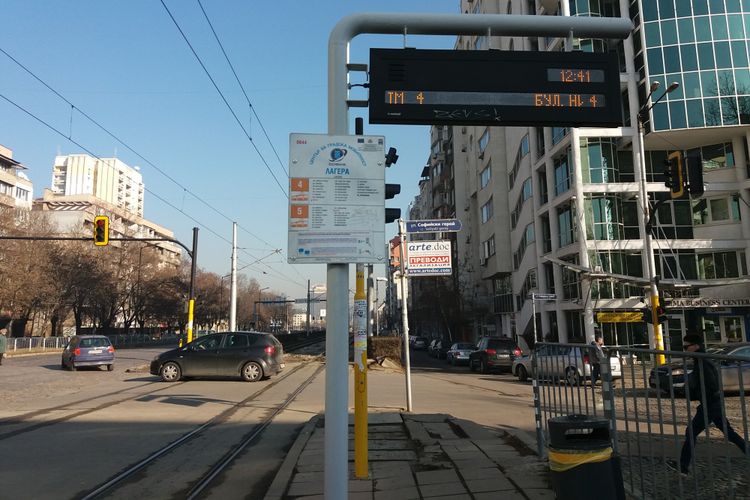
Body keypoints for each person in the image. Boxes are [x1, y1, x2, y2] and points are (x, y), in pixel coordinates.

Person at [667, 333, 748, 475]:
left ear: (696, 346)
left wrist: (695, 390)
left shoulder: (702, 362)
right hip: (712, 403)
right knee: (729, 433)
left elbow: (710, 383)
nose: (685, 350)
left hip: (710, 404)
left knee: (691, 432)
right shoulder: (701, 360)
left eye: (687, 347)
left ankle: (683, 466)